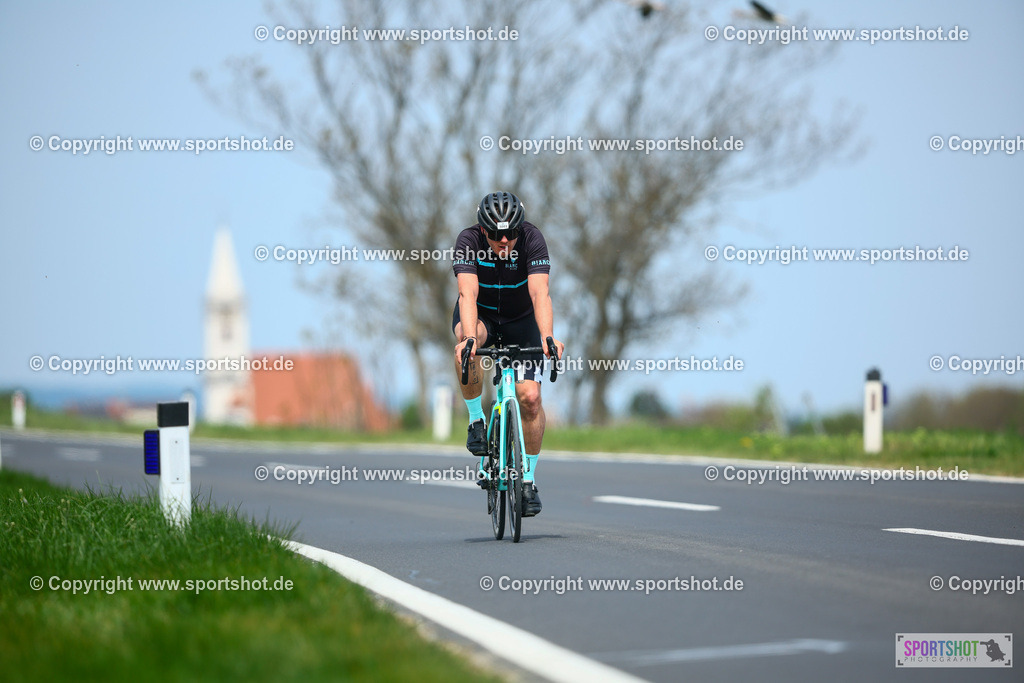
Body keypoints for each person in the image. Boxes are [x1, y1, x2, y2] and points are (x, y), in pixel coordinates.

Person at [452, 191, 564, 517]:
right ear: (482, 229)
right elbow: (467, 293)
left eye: (511, 233)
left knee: (530, 397)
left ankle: (527, 479)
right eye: (497, 234)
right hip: (481, 318)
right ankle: (476, 419)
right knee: (467, 342)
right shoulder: (468, 240)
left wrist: (547, 337)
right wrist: (470, 337)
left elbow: (540, 292)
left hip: (522, 322)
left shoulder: (532, 239)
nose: (505, 240)